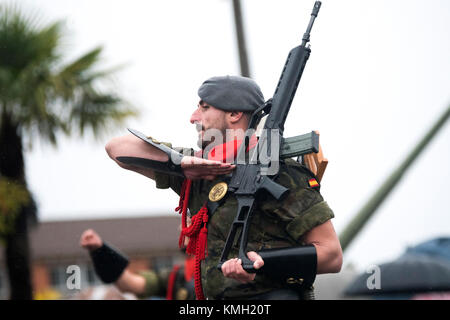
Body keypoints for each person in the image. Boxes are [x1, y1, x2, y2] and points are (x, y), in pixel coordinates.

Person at [105, 75, 343, 300]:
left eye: (205, 107)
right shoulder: (198, 167)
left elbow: (331, 255)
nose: (193, 117)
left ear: (234, 113)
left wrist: (261, 263)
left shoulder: (281, 171)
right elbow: (116, 148)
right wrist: (180, 165)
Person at [79, 228, 196, 300]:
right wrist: (100, 251)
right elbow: (130, 284)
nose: (182, 227)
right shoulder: (177, 278)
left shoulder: (213, 272)